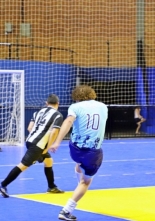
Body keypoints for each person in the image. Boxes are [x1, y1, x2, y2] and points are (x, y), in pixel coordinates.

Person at [48, 85, 108, 221]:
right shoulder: (103, 106)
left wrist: (57, 141)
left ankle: (79, 178)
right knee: (86, 182)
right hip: (92, 152)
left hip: (74, 149)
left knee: (79, 164)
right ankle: (66, 210)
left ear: (76, 97)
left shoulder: (74, 107)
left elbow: (68, 121)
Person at [0, 94, 65, 198]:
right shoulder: (58, 115)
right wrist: (47, 147)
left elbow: (29, 128)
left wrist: (37, 136)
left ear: (46, 103)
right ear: (58, 104)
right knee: (22, 166)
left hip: (29, 141)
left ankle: (51, 186)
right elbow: (54, 132)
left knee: (48, 161)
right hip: (38, 146)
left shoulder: (38, 112)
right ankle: (2, 185)